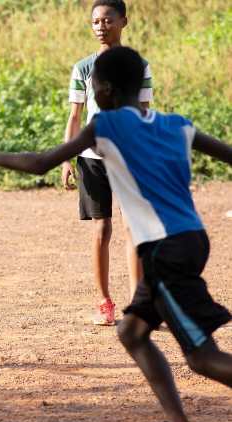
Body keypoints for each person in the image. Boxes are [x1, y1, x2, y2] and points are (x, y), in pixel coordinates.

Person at [0, 46, 232, 422]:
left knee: (203, 358)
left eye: (94, 86)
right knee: (131, 332)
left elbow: (42, 162)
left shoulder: (106, 125)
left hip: (164, 249)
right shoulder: (177, 124)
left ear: (107, 90)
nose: (94, 92)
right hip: (189, 240)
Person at [62, 0, 153, 325]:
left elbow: (144, 113)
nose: (101, 26)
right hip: (92, 158)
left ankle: (137, 304)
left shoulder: (138, 66)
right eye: (96, 22)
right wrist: (67, 158)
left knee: (133, 229)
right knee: (102, 228)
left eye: (108, 20)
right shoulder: (84, 67)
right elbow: (75, 116)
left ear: (123, 22)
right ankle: (104, 302)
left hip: (127, 158)